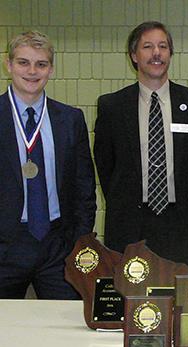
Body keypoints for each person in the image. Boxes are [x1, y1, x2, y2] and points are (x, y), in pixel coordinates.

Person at [94, 21, 188, 270]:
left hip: (180, 222)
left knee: (177, 298)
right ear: (134, 56)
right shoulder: (112, 106)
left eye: (163, 46)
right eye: (147, 47)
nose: (156, 53)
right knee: (129, 297)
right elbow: (106, 165)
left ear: (170, 54)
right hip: (129, 222)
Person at [0, 31, 95, 299]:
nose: (32, 71)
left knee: (66, 326)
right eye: (23, 62)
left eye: (41, 64)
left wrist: (79, 241)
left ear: (51, 69)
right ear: (8, 65)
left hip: (57, 245)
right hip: (6, 245)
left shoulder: (70, 119)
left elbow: (83, 187)